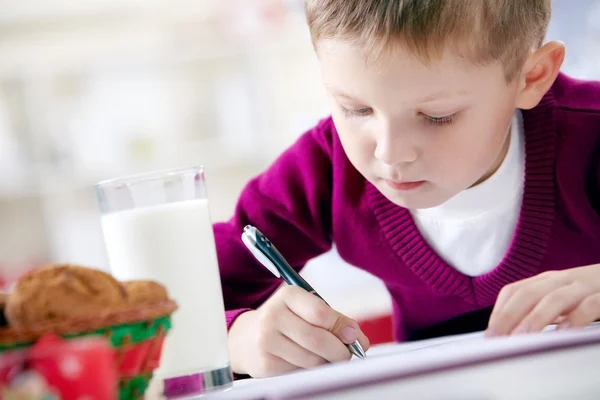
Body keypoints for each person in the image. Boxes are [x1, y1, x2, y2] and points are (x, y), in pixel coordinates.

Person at [214, 0, 600, 378]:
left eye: (437, 116)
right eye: (356, 108)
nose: (390, 153)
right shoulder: (324, 170)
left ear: (531, 77)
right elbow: (181, 298)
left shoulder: (589, 137)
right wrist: (237, 339)